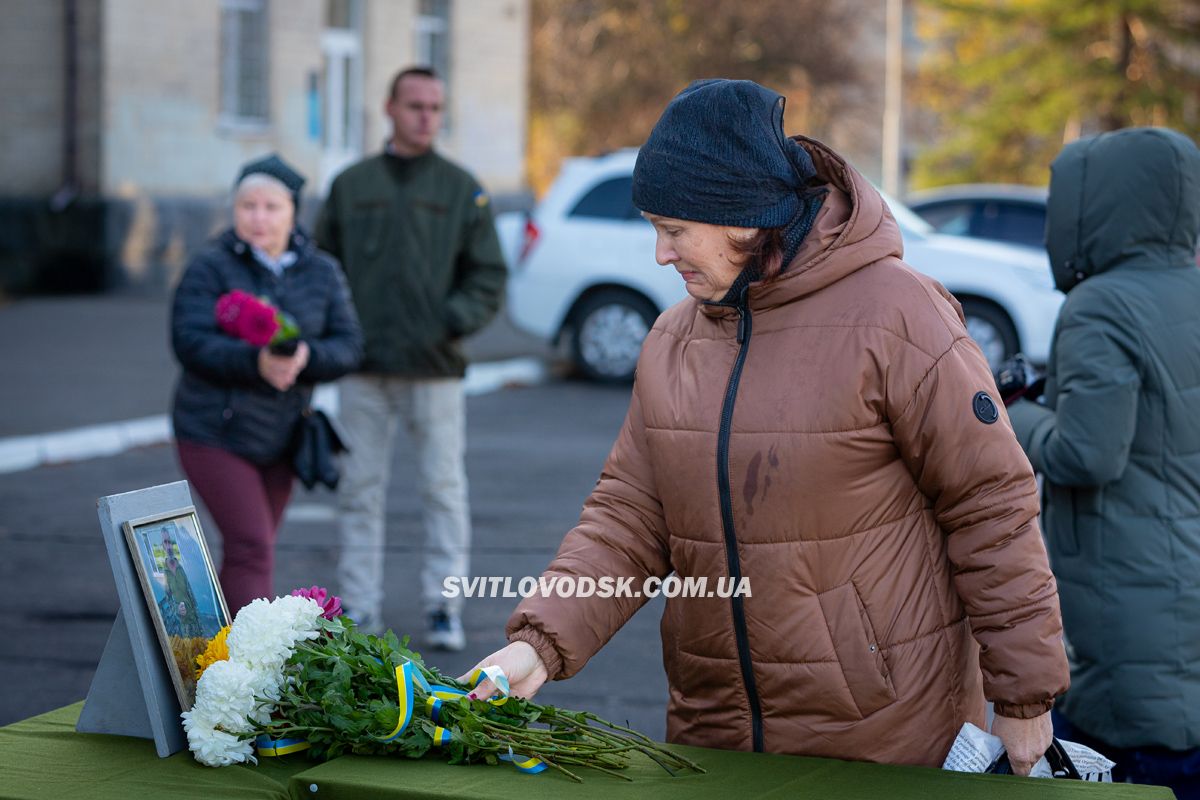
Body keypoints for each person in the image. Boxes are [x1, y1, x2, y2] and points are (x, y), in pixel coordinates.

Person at [467, 79, 1070, 771]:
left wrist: (1024, 699)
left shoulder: (899, 316)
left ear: (743, 219)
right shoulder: (672, 340)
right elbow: (628, 518)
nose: (661, 256)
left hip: (881, 742)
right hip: (712, 738)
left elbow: (991, 507)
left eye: (673, 231)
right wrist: (539, 644)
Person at [1004, 127, 1200, 797]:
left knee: (1127, 765)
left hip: (1126, 610)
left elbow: (1085, 454)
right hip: (1182, 589)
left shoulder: (1103, 306)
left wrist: (1015, 412)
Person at [315, 66, 506, 650]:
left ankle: (444, 606)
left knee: (443, 489)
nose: (427, 116)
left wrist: (451, 321)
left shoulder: (460, 187)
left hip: (434, 367)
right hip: (364, 369)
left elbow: (488, 274)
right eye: (416, 105)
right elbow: (321, 269)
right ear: (389, 108)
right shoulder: (351, 185)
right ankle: (360, 611)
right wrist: (335, 336)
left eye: (435, 107)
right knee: (359, 490)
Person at [171, 153, 363, 616]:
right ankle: (248, 669)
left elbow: (350, 344)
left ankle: (201, 653)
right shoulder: (211, 267)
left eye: (271, 207)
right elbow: (189, 341)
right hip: (214, 431)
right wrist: (255, 362)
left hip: (281, 438)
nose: (258, 218)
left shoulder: (322, 270)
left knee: (247, 551)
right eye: (247, 206)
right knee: (252, 546)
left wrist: (306, 357)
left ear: (294, 211)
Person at [160, 527, 202, 638]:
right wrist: (177, 609)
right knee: (189, 650)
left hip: (195, 618)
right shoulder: (164, 574)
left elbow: (191, 592)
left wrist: (197, 615)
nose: (169, 546)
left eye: (170, 542)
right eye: (165, 542)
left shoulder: (182, 567)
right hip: (182, 624)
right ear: (162, 546)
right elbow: (168, 599)